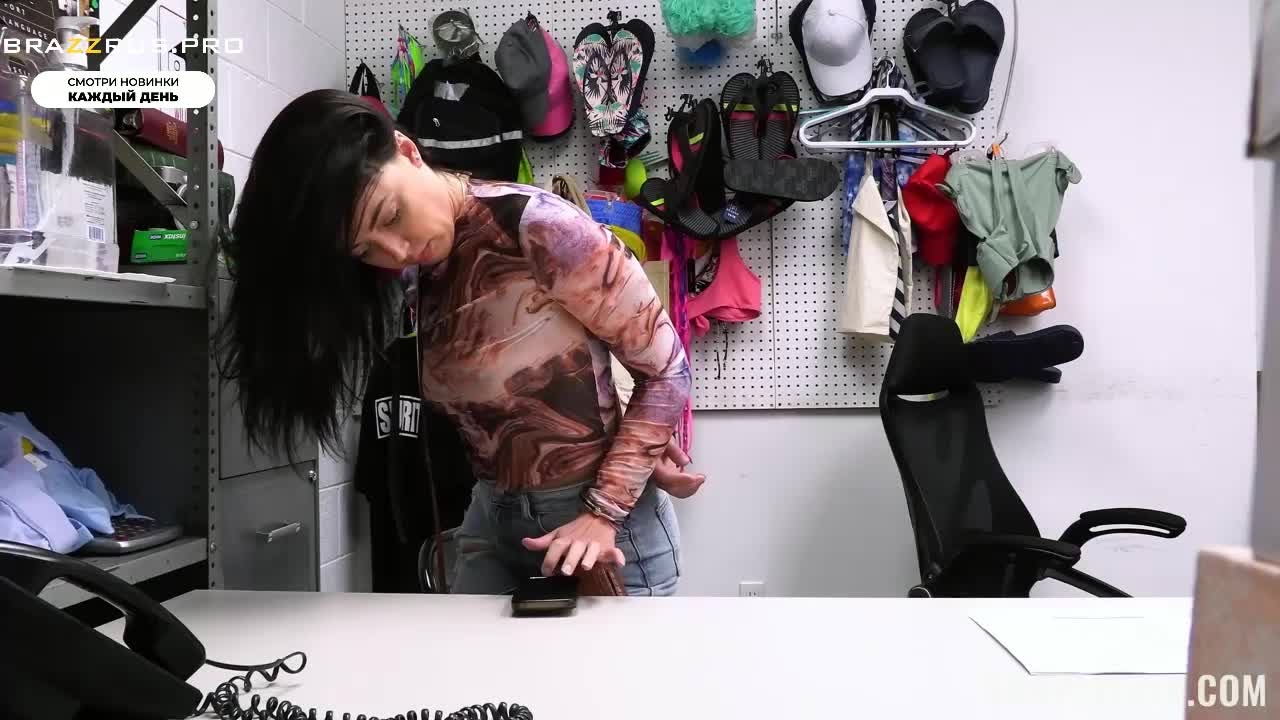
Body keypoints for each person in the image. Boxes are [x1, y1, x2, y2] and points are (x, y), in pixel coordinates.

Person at [218, 89, 702, 596]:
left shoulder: (538, 226)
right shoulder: (419, 276)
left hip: (601, 535)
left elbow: (666, 370)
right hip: (494, 516)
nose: (395, 251)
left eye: (391, 215)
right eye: (365, 249)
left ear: (407, 150)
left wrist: (605, 508)